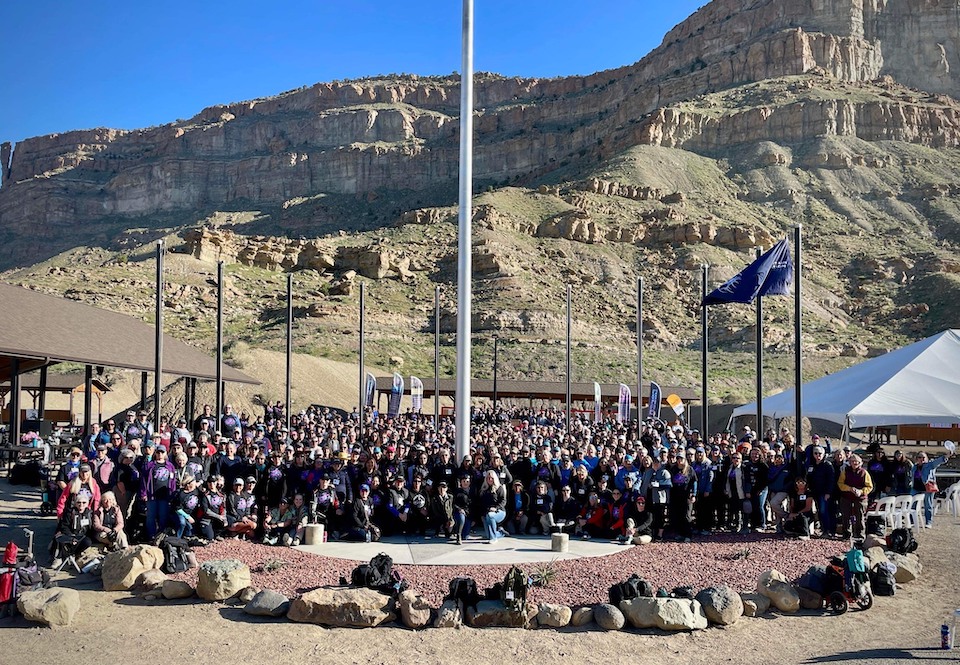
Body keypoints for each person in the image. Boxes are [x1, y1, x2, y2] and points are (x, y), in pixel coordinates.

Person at [837, 454, 873, 540]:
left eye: (856, 462)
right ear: (849, 462)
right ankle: (846, 534)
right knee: (846, 516)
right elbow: (840, 483)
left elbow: (869, 486)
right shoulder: (845, 472)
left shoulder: (864, 473)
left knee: (860, 516)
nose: (854, 463)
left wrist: (861, 491)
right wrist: (849, 489)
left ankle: (860, 535)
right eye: (852, 461)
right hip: (847, 496)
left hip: (860, 498)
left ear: (860, 463)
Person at [52, 494, 94, 568]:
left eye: (84, 503)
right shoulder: (70, 512)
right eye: (79, 502)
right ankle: (59, 558)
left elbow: (90, 528)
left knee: (88, 542)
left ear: (87, 504)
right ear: (75, 503)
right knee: (62, 539)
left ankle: (73, 554)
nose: (81, 505)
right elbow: (64, 526)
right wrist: (72, 537)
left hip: (81, 535)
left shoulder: (89, 513)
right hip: (70, 534)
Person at [914, 448, 953, 526]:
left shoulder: (930, 465)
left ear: (927, 458)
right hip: (916, 488)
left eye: (923, 457)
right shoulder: (914, 467)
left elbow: (939, 461)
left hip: (927, 488)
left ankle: (928, 522)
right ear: (917, 459)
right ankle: (912, 521)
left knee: (928, 505)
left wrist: (947, 455)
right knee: (912, 504)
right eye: (919, 457)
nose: (921, 459)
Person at [477, 470, 507, 543]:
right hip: (486, 512)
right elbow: (481, 503)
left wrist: (496, 508)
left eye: (492, 478)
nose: (490, 479)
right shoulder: (483, 489)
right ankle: (501, 532)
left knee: (490, 515)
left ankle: (494, 539)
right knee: (488, 535)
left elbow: (503, 501)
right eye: (488, 478)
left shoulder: (499, 488)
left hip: (499, 511)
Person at [451, 475, 472, 544]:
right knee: (461, 516)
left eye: (467, 481)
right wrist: (459, 509)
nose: (465, 483)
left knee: (465, 537)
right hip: (459, 512)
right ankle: (458, 535)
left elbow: (475, 506)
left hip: (468, 514)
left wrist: (474, 519)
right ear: (460, 482)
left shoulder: (473, 492)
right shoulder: (457, 491)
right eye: (464, 481)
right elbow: (453, 503)